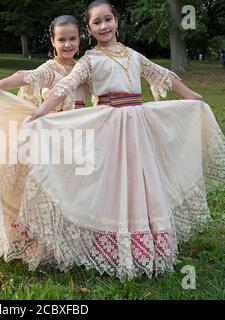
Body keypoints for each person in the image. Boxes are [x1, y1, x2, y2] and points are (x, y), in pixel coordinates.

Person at [13, 0, 225, 280]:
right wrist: (41, 110)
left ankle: (144, 247)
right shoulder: (90, 60)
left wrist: (190, 95)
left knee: (142, 180)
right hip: (109, 125)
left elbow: (161, 74)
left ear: (116, 21)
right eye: (96, 22)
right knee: (112, 182)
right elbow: (65, 85)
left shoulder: (133, 55)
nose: (104, 26)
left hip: (137, 124)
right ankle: (110, 245)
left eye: (107, 19)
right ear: (89, 28)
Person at [0, 15, 90, 269]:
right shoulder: (50, 69)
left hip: (77, 136)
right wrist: (0, 84)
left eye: (72, 39)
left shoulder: (84, 68)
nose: (67, 44)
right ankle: (42, 247)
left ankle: (71, 242)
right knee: (49, 189)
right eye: (61, 39)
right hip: (52, 137)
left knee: (73, 189)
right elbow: (26, 75)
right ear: (53, 42)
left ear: (80, 40)